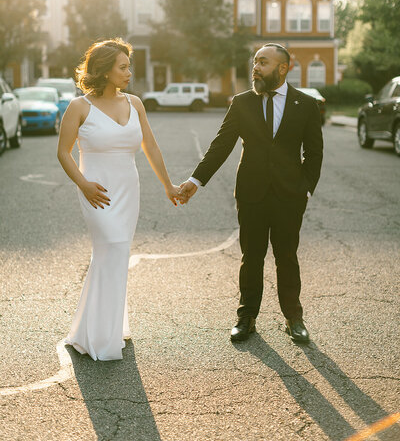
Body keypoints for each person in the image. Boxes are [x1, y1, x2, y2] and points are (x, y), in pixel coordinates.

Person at [179, 43, 323, 343]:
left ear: (283, 69)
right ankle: (246, 317)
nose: (255, 67)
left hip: (289, 195)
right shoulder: (242, 102)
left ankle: (294, 317)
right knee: (252, 256)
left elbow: (314, 153)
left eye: (264, 62)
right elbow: (221, 145)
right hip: (251, 193)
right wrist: (196, 179)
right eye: (255, 62)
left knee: (287, 257)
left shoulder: (306, 105)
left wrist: (305, 190)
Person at [57, 38, 180, 361]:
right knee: (109, 247)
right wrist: (83, 184)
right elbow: (63, 152)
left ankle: (100, 328)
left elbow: (150, 147)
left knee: (115, 255)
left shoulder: (135, 103)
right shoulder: (79, 107)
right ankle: (99, 335)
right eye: (122, 67)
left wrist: (168, 185)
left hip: (128, 190)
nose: (129, 73)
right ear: (104, 70)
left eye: (129, 67)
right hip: (96, 191)